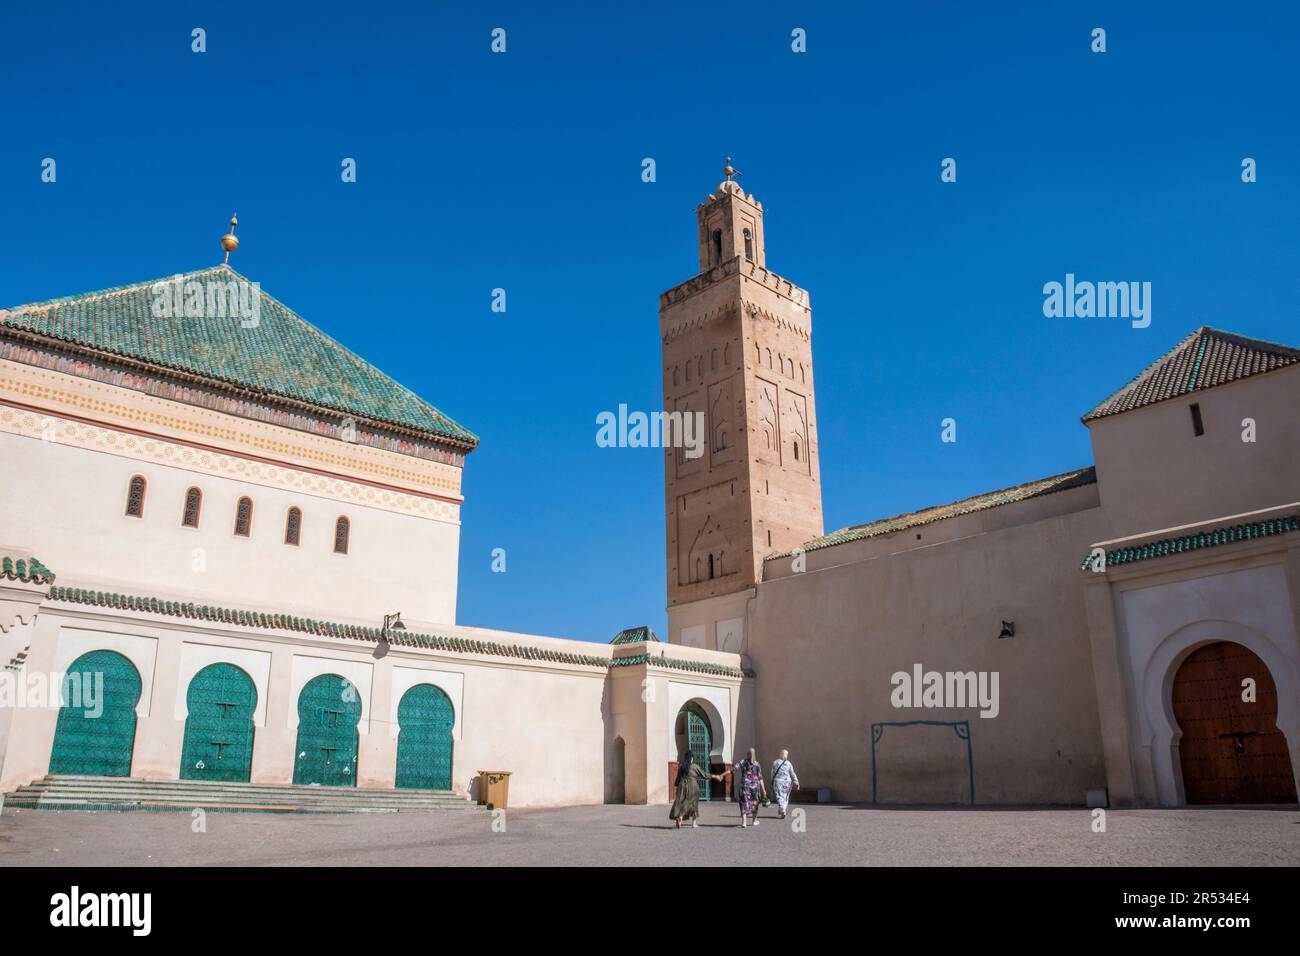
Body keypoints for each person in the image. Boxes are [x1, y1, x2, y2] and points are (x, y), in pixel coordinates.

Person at [669, 750, 723, 829]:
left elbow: (678, 779)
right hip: (692, 786)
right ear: (691, 758)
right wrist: (715, 776)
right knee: (693, 804)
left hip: (682, 785)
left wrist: (677, 786)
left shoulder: (681, 766)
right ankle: (692, 823)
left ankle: (680, 816)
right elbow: (704, 775)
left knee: (681, 802)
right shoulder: (694, 766)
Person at [735, 748, 767, 827]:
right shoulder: (757, 764)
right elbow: (760, 778)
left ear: (747, 754)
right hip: (754, 787)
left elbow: (734, 769)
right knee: (755, 803)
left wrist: (724, 774)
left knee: (743, 803)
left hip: (744, 786)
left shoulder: (742, 762)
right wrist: (763, 790)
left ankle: (744, 822)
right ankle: (754, 820)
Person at [770, 749, 800, 819]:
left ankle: (782, 809)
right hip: (787, 782)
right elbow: (792, 773)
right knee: (786, 797)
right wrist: (796, 782)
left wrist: (772, 781)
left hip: (778, 781)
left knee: (779, 796)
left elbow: (772, 773)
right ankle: (782, 809)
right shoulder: (788, 763)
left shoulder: (775, 762)